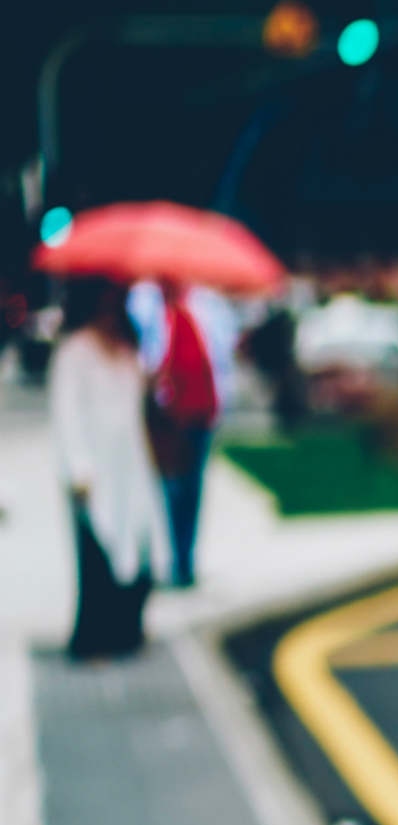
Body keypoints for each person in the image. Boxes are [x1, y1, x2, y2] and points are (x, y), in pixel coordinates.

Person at [50, 279, 170, 661]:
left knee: (139, 547)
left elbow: (139, 407)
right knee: (97, 551)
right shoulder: (75, 352)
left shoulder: (127, 349)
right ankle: (93, 639)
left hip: (132, 466)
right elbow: (66, 414)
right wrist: (78, 467)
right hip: (95, 469)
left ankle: (126, 630)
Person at [130, 277, 237, 587]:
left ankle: (187, 558)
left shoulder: (206, 305)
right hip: (169, 415)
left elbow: (220, 353)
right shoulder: (147, 305)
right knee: (173, 487)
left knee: (194, 487)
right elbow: (145, 353)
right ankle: (177, 557)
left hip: (202, 410)